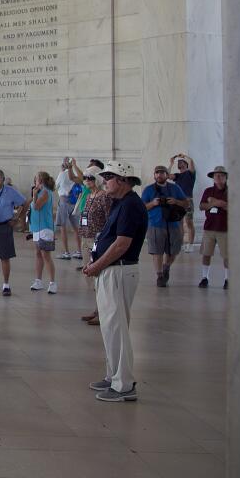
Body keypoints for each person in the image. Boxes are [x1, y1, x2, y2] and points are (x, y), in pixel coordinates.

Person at [83, 161, 148, 402]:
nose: (104, 181)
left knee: (117, 328)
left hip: (118, 271)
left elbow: (122, 244)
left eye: (109, 177)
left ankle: (124, 385)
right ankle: (113, 375)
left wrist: (96, 266)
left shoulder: (131, 205)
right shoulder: (121, 203)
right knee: (110, 327)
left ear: (123, 180)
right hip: (110, 271)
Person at [142, 166, 188, 287]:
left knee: (173, 250)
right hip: (155, 224)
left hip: (173, 223)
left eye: (162, 173)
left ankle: (166, 267)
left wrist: (176, 201)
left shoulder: (175, 188)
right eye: (157, 173)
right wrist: (153, 203)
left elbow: (186, 203)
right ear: (154, 175)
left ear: (167, 175)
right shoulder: (148, 190)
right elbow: (142, 208)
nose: (159, 175)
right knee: (157, 251)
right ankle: (160, 275)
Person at [0, 169, 26, 297]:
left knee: (4, 257)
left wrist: (17, 218)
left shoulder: (10, 191)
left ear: (3, 179)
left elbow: (24, 203)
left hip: (4, 227)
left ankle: (6, 285)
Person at [78, 166, 112, 325]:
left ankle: (103, 312)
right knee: (90, 277)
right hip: (86, 237)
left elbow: (109, 218)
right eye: (85, 178)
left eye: (90, 178)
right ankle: (97, 309)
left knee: (99, 276)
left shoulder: (104, 196)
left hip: (98, 238)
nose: (86, 180)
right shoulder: (89, 196)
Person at [198, 166, 230, 289]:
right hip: (209, 227)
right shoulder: (208, 191)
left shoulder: (230, 191)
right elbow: (202, 206)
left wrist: (214, 202)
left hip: (225, 228)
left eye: (221, 175)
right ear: (213, 178)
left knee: (227, 255)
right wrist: (218, 203)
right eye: (216, 175)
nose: (218, 177)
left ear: (226, 177)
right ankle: (204, 277)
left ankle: (227, 279)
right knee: (206, 253)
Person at [27, 171, 58, 294]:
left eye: (37, 180)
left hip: (45, 228)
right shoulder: (40, 192)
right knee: (38, 254)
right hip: (36, 228)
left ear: (41, 181)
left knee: (46, 255)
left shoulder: (45, 192)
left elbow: (37, 206)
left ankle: (53, 282)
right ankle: (38, 280)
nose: (35, 182)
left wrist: (34, 194)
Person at [56, 158, 84, 260]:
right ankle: (79, 251)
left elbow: (56, 185)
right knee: (77, 228)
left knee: (63, 228)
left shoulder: (62, 174)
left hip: (64, 201)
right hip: (74, 202)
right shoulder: (74, 176)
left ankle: (66, 252)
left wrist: (61, 171)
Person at [170, 153, 198, 251]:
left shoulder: (190, 173)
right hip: (178, 201)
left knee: (189, 222)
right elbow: (167, 176)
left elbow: (192, 162)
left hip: (188, 200)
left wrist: (184, 156)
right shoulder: (177, 176)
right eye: (179, 162)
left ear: (186, 164)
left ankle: (190, 245)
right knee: (179, 223)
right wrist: (171, 163)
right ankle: (180, 244)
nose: (179, 162)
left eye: (181, 161)